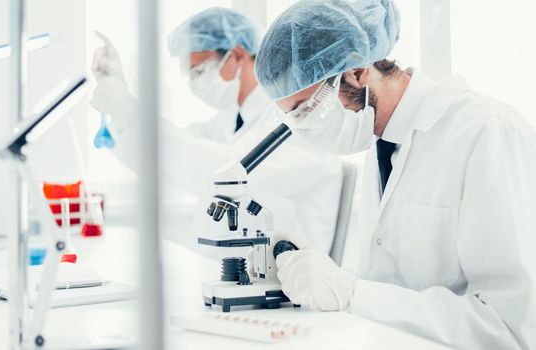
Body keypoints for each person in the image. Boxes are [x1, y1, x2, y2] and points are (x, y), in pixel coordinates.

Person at [254, 0, 536, 349]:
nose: (305, 127)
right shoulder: (381, 143)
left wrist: (352, 293)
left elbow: (510, 328)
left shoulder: (486, 132)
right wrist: (328, 279)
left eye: (308, 109)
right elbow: (395, 286)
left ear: (357, 71)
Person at [90, 7, 344, 253]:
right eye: (191, 75)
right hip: (237, 268)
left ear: (237, 54)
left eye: (200, 70)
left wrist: (129, 110)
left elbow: (223, 171)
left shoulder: (298, 118)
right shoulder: (231, 117)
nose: (196, 84)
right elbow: (180, 147)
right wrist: (122, 111)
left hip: (291, 279)